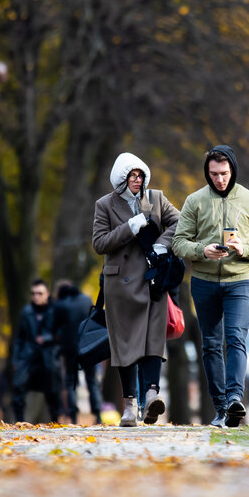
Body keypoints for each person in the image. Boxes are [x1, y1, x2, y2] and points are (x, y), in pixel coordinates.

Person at [173, 145, 249, 427]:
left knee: (235, 338)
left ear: (232, 170)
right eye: (214, 174)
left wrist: (245, 248)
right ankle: (220, 408)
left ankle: (234, 399)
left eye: (224, 173)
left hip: (239, 280)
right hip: (204, 282)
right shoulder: (194, 201)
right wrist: (201, 251)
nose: (219, 179)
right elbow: (178, 242)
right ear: (207, 173)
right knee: (210, 344)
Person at [92, 152, 181, 426]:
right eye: (132, 175)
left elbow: (180, 222)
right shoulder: (104, 204)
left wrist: (161, 244)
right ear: (121, 178)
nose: (137, 180)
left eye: (140, 175)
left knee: (154, 337)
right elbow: (99, 243)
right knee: (126, 345)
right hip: (120, 285)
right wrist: (129, 228)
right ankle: (130, 405)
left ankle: (152, 394)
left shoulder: (155, 198)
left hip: (153, 280)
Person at [52, 279, 103, 425]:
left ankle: (73, 416)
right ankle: (98, 414)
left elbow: (54, 329)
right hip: (88, 346)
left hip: (69, 349)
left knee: (70, 381)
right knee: (92, 381)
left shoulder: (60, 305)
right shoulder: (86, 300)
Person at [12, 279, 61, 422]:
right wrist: (16, 359)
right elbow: (19, 338)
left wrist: (47, 339)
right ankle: (18, 422)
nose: (36, 296)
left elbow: (63, 335)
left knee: (53, 392)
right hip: (28, 357)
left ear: (47, 294)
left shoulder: (56, 311)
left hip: (49, 357)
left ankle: (55, 421)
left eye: (40, 293)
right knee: (18, 388)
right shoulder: (26, 312)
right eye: (33, 293)